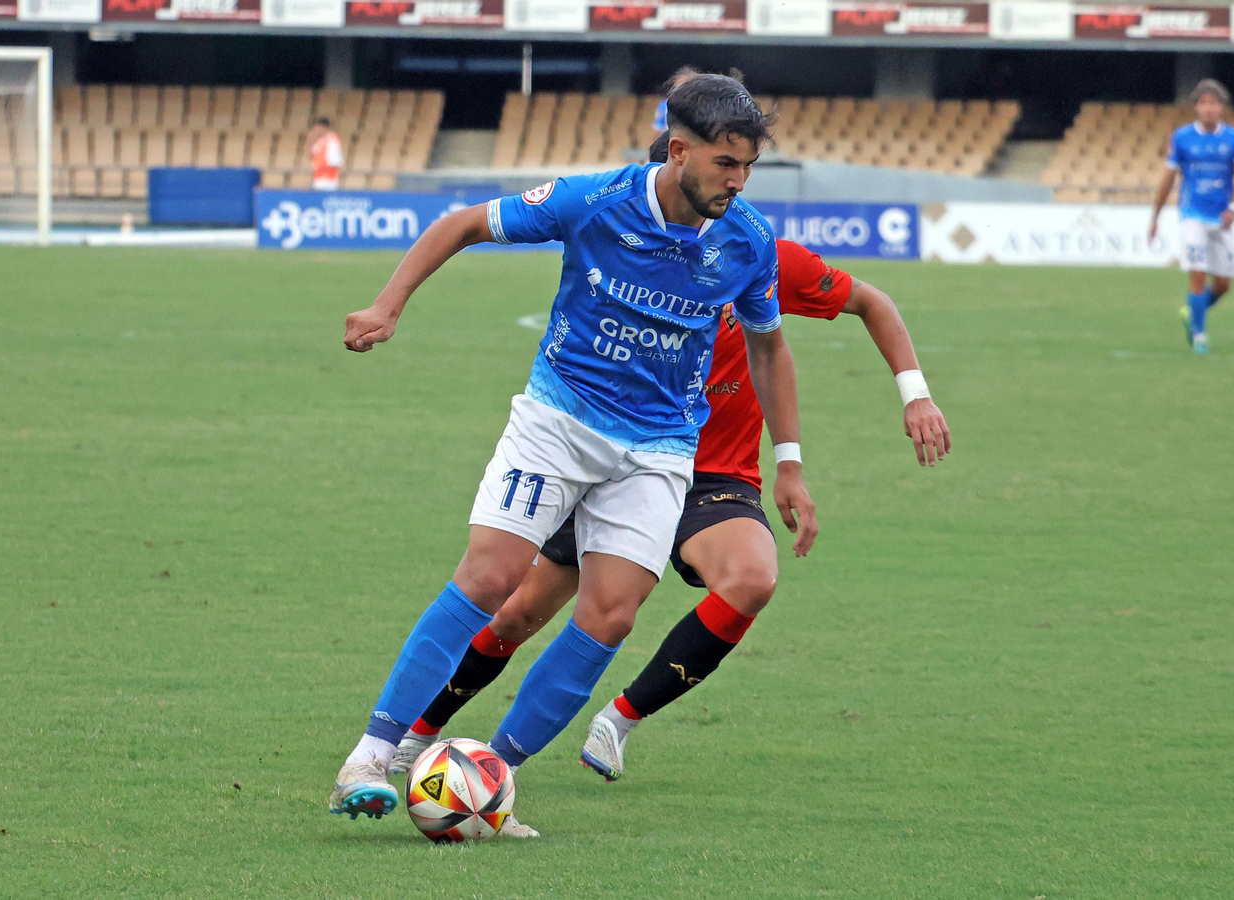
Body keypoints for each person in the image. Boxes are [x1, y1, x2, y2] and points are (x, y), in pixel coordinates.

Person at [329, 75, 811, 838]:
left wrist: (788, 459)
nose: (737, 181)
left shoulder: (745, 240)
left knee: (610, 616)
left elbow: (769, 345)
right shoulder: (592, 200)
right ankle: (370, 755)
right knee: (490, 578)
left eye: (748, 166)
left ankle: (492, 780)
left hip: (657, 447)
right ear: (679, 149)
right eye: (726, 163)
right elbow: (462, 224)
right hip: (558, 419)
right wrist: (388, 305)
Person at [387, 133, 951, 784]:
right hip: (610, 459)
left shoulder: (756, 252)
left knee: (751, 578)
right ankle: (420, 730)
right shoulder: (627, 245)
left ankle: (613, 721)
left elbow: (869, 303)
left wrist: (911, 399)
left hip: (711, 478)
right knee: (517, 613)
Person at [1148, 79, 1234, 356]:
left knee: (1224, 283)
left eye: (1214, 103)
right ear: (1196, 107)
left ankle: (1190, 310)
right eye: (1203, 103)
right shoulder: (1181, 138)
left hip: (1222, 217)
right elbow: (1168, 179)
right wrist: (1155, 216)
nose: (1208, 108)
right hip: (1191, 214)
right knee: (1198, 273)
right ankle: (1200, 335)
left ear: (1222, 108)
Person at [651, 66, 701, 147]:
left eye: (687, 88)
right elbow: (657, 132)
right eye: (677, 88)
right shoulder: (665, 106)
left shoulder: (706, 107)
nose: (682, 92)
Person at [308, 117, 343, 191]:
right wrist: (310, 140)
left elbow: (335, 161)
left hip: (328, 179)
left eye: (316, 127)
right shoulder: (320, 141)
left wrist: (323, 168)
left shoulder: (332, 140)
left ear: (322, 127)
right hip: (318, 178)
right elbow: (312, 155)